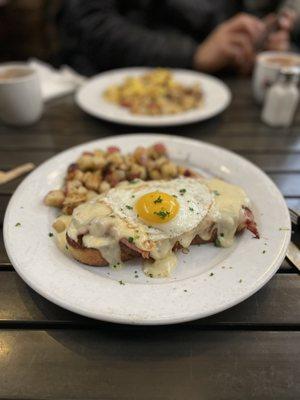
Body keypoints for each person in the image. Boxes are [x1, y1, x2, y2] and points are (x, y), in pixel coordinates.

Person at [57, 1, 297, 76]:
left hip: (213, 99)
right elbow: (89, 22)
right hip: (103, 87)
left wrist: (254, 37)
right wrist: (193, 55)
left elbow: (226, 15)